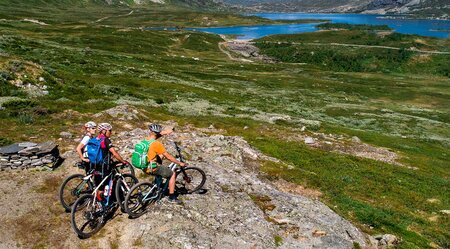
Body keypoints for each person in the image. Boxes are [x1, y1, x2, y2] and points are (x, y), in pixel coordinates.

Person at [146, 123, 186, 204]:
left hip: (144, 165)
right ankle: (172, 197)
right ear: (157, 133)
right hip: (151, 168)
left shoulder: (146, 140)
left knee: (160, 156)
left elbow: (159, 134)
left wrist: (169, 131)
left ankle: (158, 180)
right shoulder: (157, 144)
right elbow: (169, 157)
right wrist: (179, 163)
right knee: (172, 174)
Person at [95, 123, 130, 200]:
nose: (111, 132)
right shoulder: (106, 140)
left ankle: (98, 203)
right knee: (107, 183)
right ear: (104, 131)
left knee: (99, 186)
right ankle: (104, 204)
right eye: (110, 130)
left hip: (95, 165)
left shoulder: (96, 139)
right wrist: (122, 161)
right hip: (104, 166)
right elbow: (114, 152)